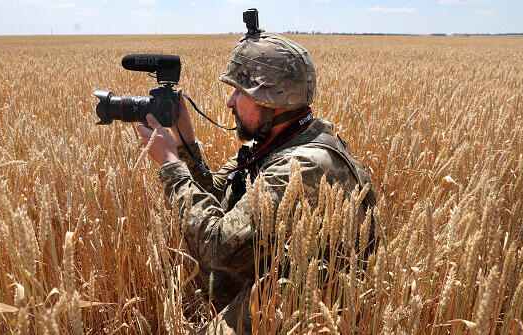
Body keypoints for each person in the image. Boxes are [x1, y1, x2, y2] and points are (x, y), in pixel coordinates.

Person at [136, 31, 376, 334]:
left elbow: (217, 247)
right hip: (278, 299)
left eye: (240, 92)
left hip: (309, 319)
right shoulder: (280, 142)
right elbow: (219, 201)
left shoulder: (303, 167)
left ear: (270, 99)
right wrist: (186, 140)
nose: (229, 101)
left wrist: (170, 165)